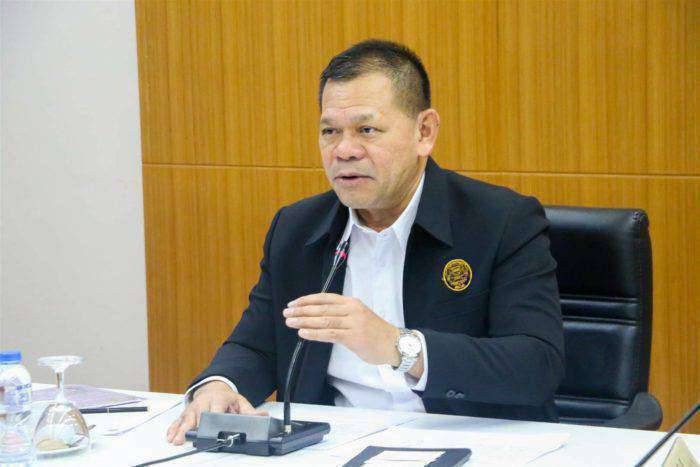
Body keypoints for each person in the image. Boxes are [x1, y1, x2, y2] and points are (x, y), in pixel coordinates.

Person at [167, 39, 564, 445]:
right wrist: (219, 385)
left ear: (424, 132)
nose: (344, 151)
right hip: (332, 444)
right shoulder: (297, 228)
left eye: (367, 130)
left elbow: (536, 365)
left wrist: (398, 346)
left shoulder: (500, 221)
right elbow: (258, 345)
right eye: (330, 131)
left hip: (468, 443)